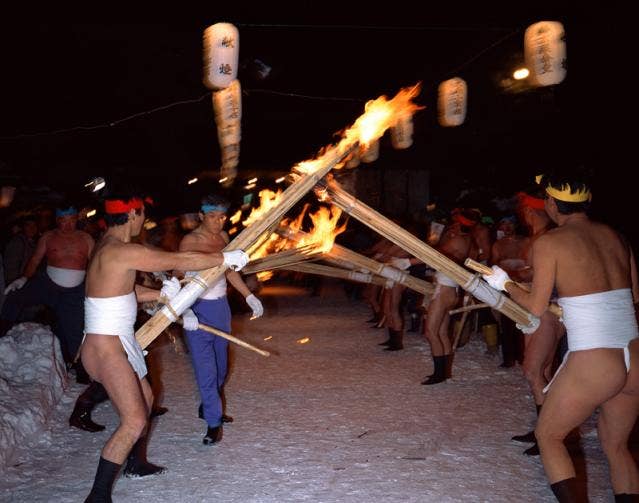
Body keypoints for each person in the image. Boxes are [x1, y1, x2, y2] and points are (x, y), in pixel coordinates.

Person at [80, 189, 249, 501]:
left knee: (146, 398)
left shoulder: (109, 246)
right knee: (134, 420)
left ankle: (136, 462)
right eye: (143, 214)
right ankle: (98, 496)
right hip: (106, 348)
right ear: (132, 215)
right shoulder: (121, 250)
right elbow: (179, 259)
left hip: (117, 341)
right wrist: (225, 258)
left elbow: (123, 292)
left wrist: (160, 295)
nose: (145, 220)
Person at [483, 173, 639, 501]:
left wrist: (504, 284)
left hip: (596, 361)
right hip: (634, 355)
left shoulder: (550, 242)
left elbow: (536, 308)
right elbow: (632, 299)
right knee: (617, 447)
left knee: (549, 436)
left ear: (552, 204)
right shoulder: (616, 236)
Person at [177, 194, 264, 445]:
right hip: (197, 309)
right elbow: (177, 277)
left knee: (221, 369)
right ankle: (213, 424)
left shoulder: (224, 238)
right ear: (201, 216)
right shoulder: (189, 241)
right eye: (213, 216)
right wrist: (185, 310)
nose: (218, 222)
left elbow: (229, 271)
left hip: (221, 309)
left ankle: (209, 405)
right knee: (206, 370)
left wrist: (249, 296)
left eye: (222, 217)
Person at [2, 205, 94, 382]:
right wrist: (23, 279)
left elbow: (96, 263)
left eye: (71, 220)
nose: (67, 225)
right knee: (14, 296)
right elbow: (35, 259)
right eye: (63, 220)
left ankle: (81, 368)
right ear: (58, 220)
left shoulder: (86, 238)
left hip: (74, 291)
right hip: (48, 284)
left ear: (76, 219)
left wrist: (94, 288)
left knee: (74, 330)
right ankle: (3, 329)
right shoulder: (49, 236)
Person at [509, 189, 565, 457]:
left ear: (531, 211)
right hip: (534, 310)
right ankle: (543, 429)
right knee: (536, 372)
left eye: (523, 209)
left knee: (534, 371)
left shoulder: (548, 239)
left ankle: (549, 434)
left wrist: (511, 281)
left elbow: (551, 279)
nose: (522, 213)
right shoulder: (538, 238)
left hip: (546, 312)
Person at [422, 210, 476, 385]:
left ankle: (439, 374)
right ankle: (444, 373)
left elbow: (435, 254)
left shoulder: (457, 240)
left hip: (444, 291)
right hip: (450, 290)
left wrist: (408, 262)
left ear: (459, 223)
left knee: (431, 331)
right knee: (442, 332)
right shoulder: (467, 240)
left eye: (455, 221)